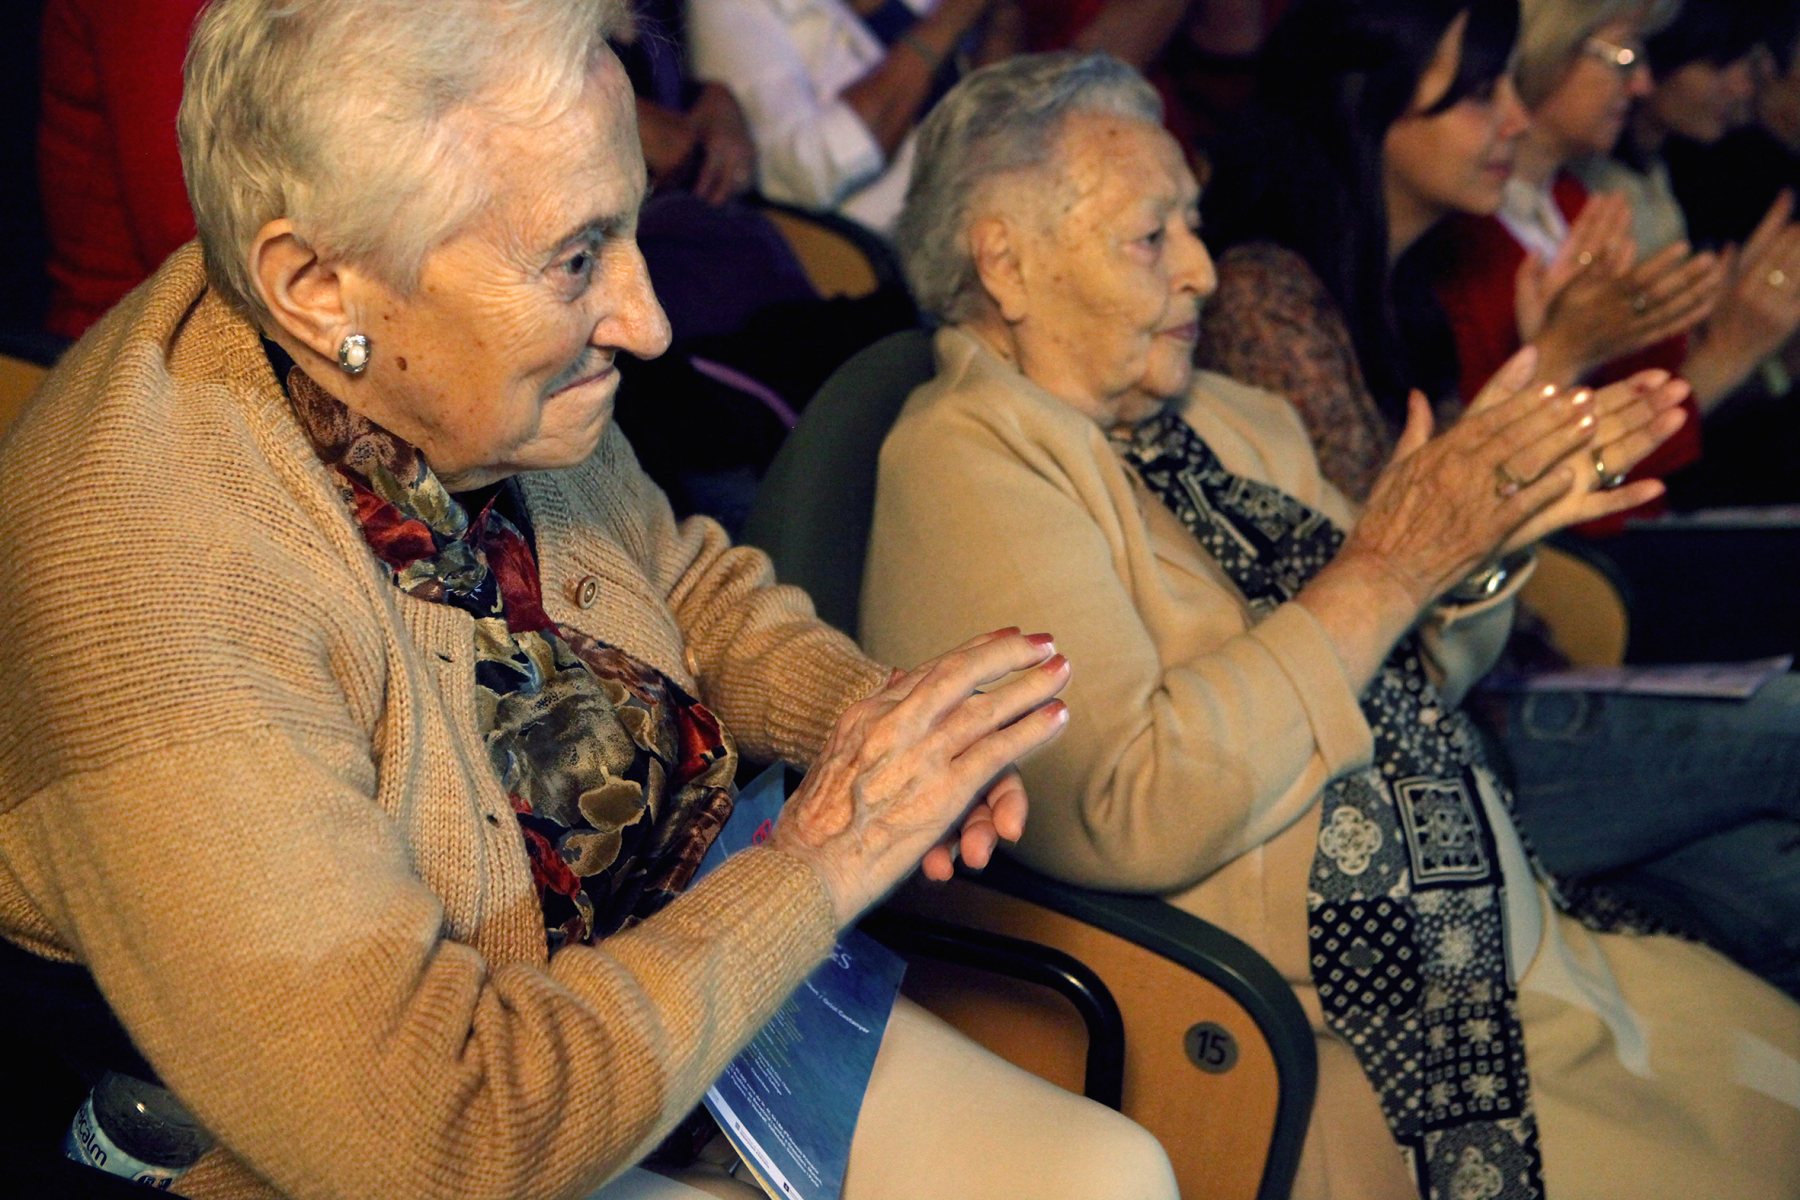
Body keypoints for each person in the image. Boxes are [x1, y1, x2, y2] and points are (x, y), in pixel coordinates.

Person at [0, 3, 1181, 1198]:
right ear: (314, 287)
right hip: (407, 1130)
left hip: (653, 956)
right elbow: (436, 1138)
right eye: (576, 258)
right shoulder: (157, 592)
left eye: (630, 230)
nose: (649, 322)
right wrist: (828, 855)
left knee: (1111, 1174)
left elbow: (678, 582)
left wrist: (875, 723)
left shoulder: (445, 367)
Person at [862, 49, 1800, 1200]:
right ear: (1004, 264)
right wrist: (1389, 567)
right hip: (1317, 1032)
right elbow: (1119, 806)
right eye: (1153, 238)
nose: (1204, 270)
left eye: (1192, 224)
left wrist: (1478, 537)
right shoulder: (966, 459)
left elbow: (1418, 669)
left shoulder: (1234, 416)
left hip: (1509, 946)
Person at [1196, 0, 1800, 1003]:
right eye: (1480, 96)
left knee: (1775, 878)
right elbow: (1383, 560)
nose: (1515, 121)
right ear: (1370, 105)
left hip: (1488, 684)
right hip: (1413, 742)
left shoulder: (1402, 274)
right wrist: (1562, 358)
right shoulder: (1265, 296)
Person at [1431, 0, 1800, 499]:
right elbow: (1559, 483)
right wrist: (1728, 352)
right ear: (1548, 51)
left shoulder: (1576, 205)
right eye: (1622, 57)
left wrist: (1727, 327)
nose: (1642, 83)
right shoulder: (1467, 231)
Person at [686, 0, 1021, 236]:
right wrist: (952, 17)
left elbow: (998, 130)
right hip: (878, 269)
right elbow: (804, 174)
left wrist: (1000, 17)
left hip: (985, 219)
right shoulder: (732, 7)